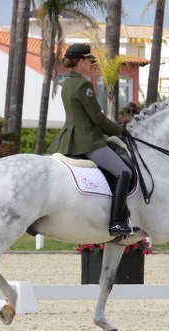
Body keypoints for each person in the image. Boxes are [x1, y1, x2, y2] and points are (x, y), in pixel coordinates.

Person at [47, 43, 134, 236]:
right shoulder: (83, 84)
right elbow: (98, 118)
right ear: (80, 62)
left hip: (68, 138)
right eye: (89, 60)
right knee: (124, 171)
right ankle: (116, 222)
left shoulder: (67, 83)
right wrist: (121, 131)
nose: (91, 63)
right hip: (87, 140)